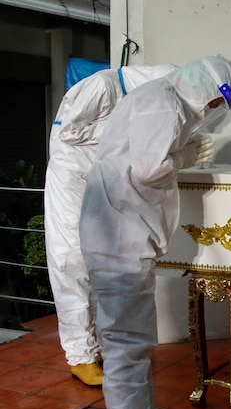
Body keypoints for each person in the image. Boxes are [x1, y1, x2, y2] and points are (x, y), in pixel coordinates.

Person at [79, 55, 231, 409]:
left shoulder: (161, 98)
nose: (213, 112)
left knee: (134, 334)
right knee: (126, 341)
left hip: (121, 228)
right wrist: (185, 157)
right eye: (216, 103)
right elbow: (150, 170)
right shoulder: (163, 103)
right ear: (206, 87)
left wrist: (181, 151)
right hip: (118, 235)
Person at [46, 64, 176, 388]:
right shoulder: (102, 87)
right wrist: (123, 132)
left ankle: (99, 347)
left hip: (96, 179)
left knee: (100, 259)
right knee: (72, 260)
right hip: (70, 179)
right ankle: (80, 356)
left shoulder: (133, 98)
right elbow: (69, 132)